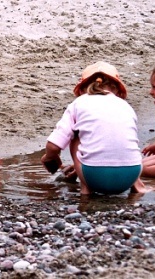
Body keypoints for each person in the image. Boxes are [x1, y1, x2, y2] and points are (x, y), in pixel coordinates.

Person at [40, 61, 148, 195]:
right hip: (130, 174)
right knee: (122, 136)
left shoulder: (78, 103)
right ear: (117, 90)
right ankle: (137, 185)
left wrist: (50, 157)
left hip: (94, 177)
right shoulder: (125, 106)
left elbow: (54, 146)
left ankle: (86, 189)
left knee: (76, 135)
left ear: (82, 89)